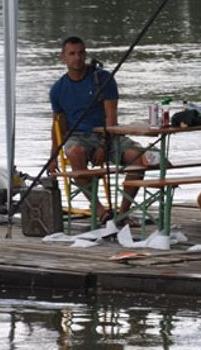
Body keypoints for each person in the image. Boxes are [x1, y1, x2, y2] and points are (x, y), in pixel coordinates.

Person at [50, 36, 151, 221]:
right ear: (63, 57)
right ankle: (99, 210)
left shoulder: (103, 78)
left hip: (108, 134)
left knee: (139, 158)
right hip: (79, 136)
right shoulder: (57, 89)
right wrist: (52, 157)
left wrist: (104, 145)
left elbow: (111, 118)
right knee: (74, 153)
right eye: (72, 54)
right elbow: (58, 125)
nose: (77, 58)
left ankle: (123, 212)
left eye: (81, 53)